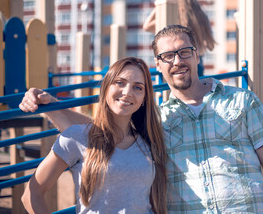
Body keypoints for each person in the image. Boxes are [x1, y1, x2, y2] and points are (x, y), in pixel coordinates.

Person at [20, 25, 263, 213]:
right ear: (159, 65)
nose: (177, 61)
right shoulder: (156, 119)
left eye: (184, 51)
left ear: (196, 55)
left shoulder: (241, 100)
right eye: (167, 56)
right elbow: (101, 129)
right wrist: (50, 105)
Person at [21, 57, 167, 213]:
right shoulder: (76, 137)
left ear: (144, 98)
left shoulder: (149, 141)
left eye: (138, 87)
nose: (127, 92)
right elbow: (31, 194)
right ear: (106, 88)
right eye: (120, 83)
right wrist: (46, 101)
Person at [142, 0, 216, 77]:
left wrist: (160, 3)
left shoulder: (172, 18)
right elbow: (210, 46)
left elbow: (146, 26)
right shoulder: (202, 16)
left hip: (175, 63)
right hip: (197, 63)